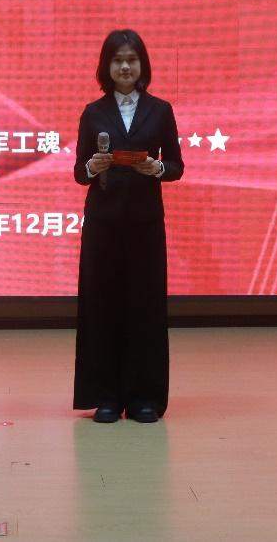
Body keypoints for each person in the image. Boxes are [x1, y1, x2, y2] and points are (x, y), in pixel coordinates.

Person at [72, 29, 184, 423]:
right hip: (102, 223)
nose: (124, 67)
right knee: (101, 306)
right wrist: (92, 166)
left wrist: (157, 168)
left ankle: (144, 398)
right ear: (106, 66)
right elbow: (79, 172)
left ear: (142, 65)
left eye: (131, 59)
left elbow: (176, 165)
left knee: (145, 307)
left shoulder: (160, 110)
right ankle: (105, 396)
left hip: (145, 224)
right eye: (117, 60)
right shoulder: (93, 112)